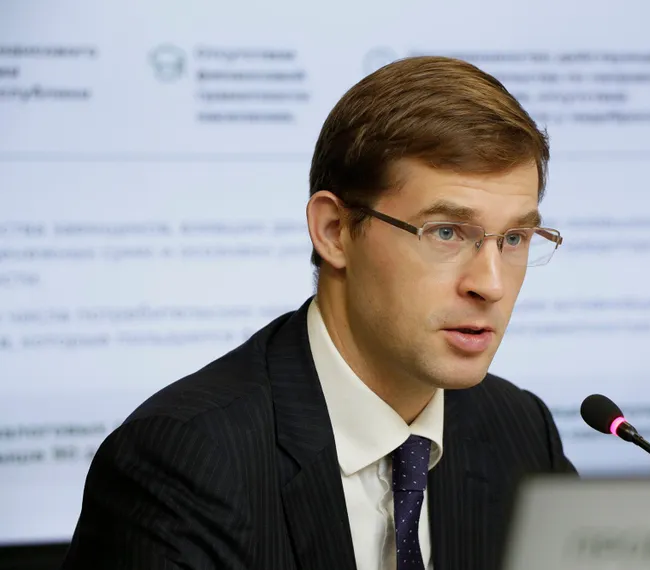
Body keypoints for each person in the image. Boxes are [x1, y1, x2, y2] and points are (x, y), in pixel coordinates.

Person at [61, 55, 576, 570]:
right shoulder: (185, 461)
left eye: (515, 238)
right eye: (446, 232)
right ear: (334, 231)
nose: (490, 284)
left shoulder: (520, 430)